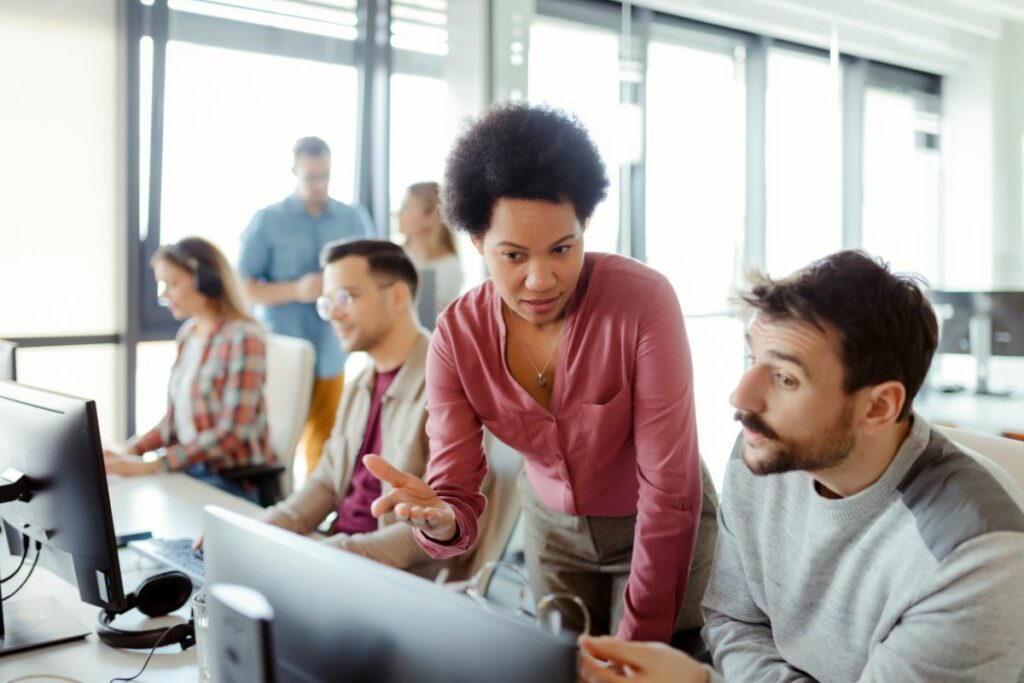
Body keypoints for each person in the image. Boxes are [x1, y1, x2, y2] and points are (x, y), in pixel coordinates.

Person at [363, 103, 719, 646]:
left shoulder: (644, 302)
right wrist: (439, 520)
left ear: (585, 227)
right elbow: (453, 490)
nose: (539, 279)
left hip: (661, 525)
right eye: (512, 255)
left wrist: (637, 644)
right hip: (551, 533)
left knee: (655, 666)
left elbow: (669, 491)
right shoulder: (458, 338)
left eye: (562, 249)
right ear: (478, 243)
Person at [577, 251, 1024, 683]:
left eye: (786, 378)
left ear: (878, 407)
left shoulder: (975, 558)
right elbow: (732, 619)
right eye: (755, 359)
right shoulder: (766, 454)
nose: (741, 397)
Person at [257, 238, 482, 576]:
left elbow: (441, 525)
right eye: (327, 301)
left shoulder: (450, 386)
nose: (333, 313)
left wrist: (328, 555)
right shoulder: (359, 385)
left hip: (388, 579)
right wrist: (262, 530)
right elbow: (327, 483)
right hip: (336, 561)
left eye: (346, 297)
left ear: (396, 297)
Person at [238, 136, 374, 476]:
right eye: (311, 177)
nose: (319, 185)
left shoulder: (352, 218)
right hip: (284, 352)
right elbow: (244, 288)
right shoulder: (267, 221)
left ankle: (314, 523)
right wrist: (296, 289)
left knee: (327, 444)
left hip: (332, 348)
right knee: (279, 443)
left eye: (325, 176)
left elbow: (373, 277)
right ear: (294, 171)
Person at [104, 237, 272, 502]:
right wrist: (130, 450)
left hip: (229, 479)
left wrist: (154, 465)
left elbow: (231, 433)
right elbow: (174, 421)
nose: (163, 294)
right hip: (186, 470)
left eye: (172, 284)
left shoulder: (244, 337)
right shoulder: (189, 334)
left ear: (206, 280)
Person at [397, 181, 464, 322]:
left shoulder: (449, 268)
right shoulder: (393, 258)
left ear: (430, 216)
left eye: (406, 206)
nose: (399, 213)